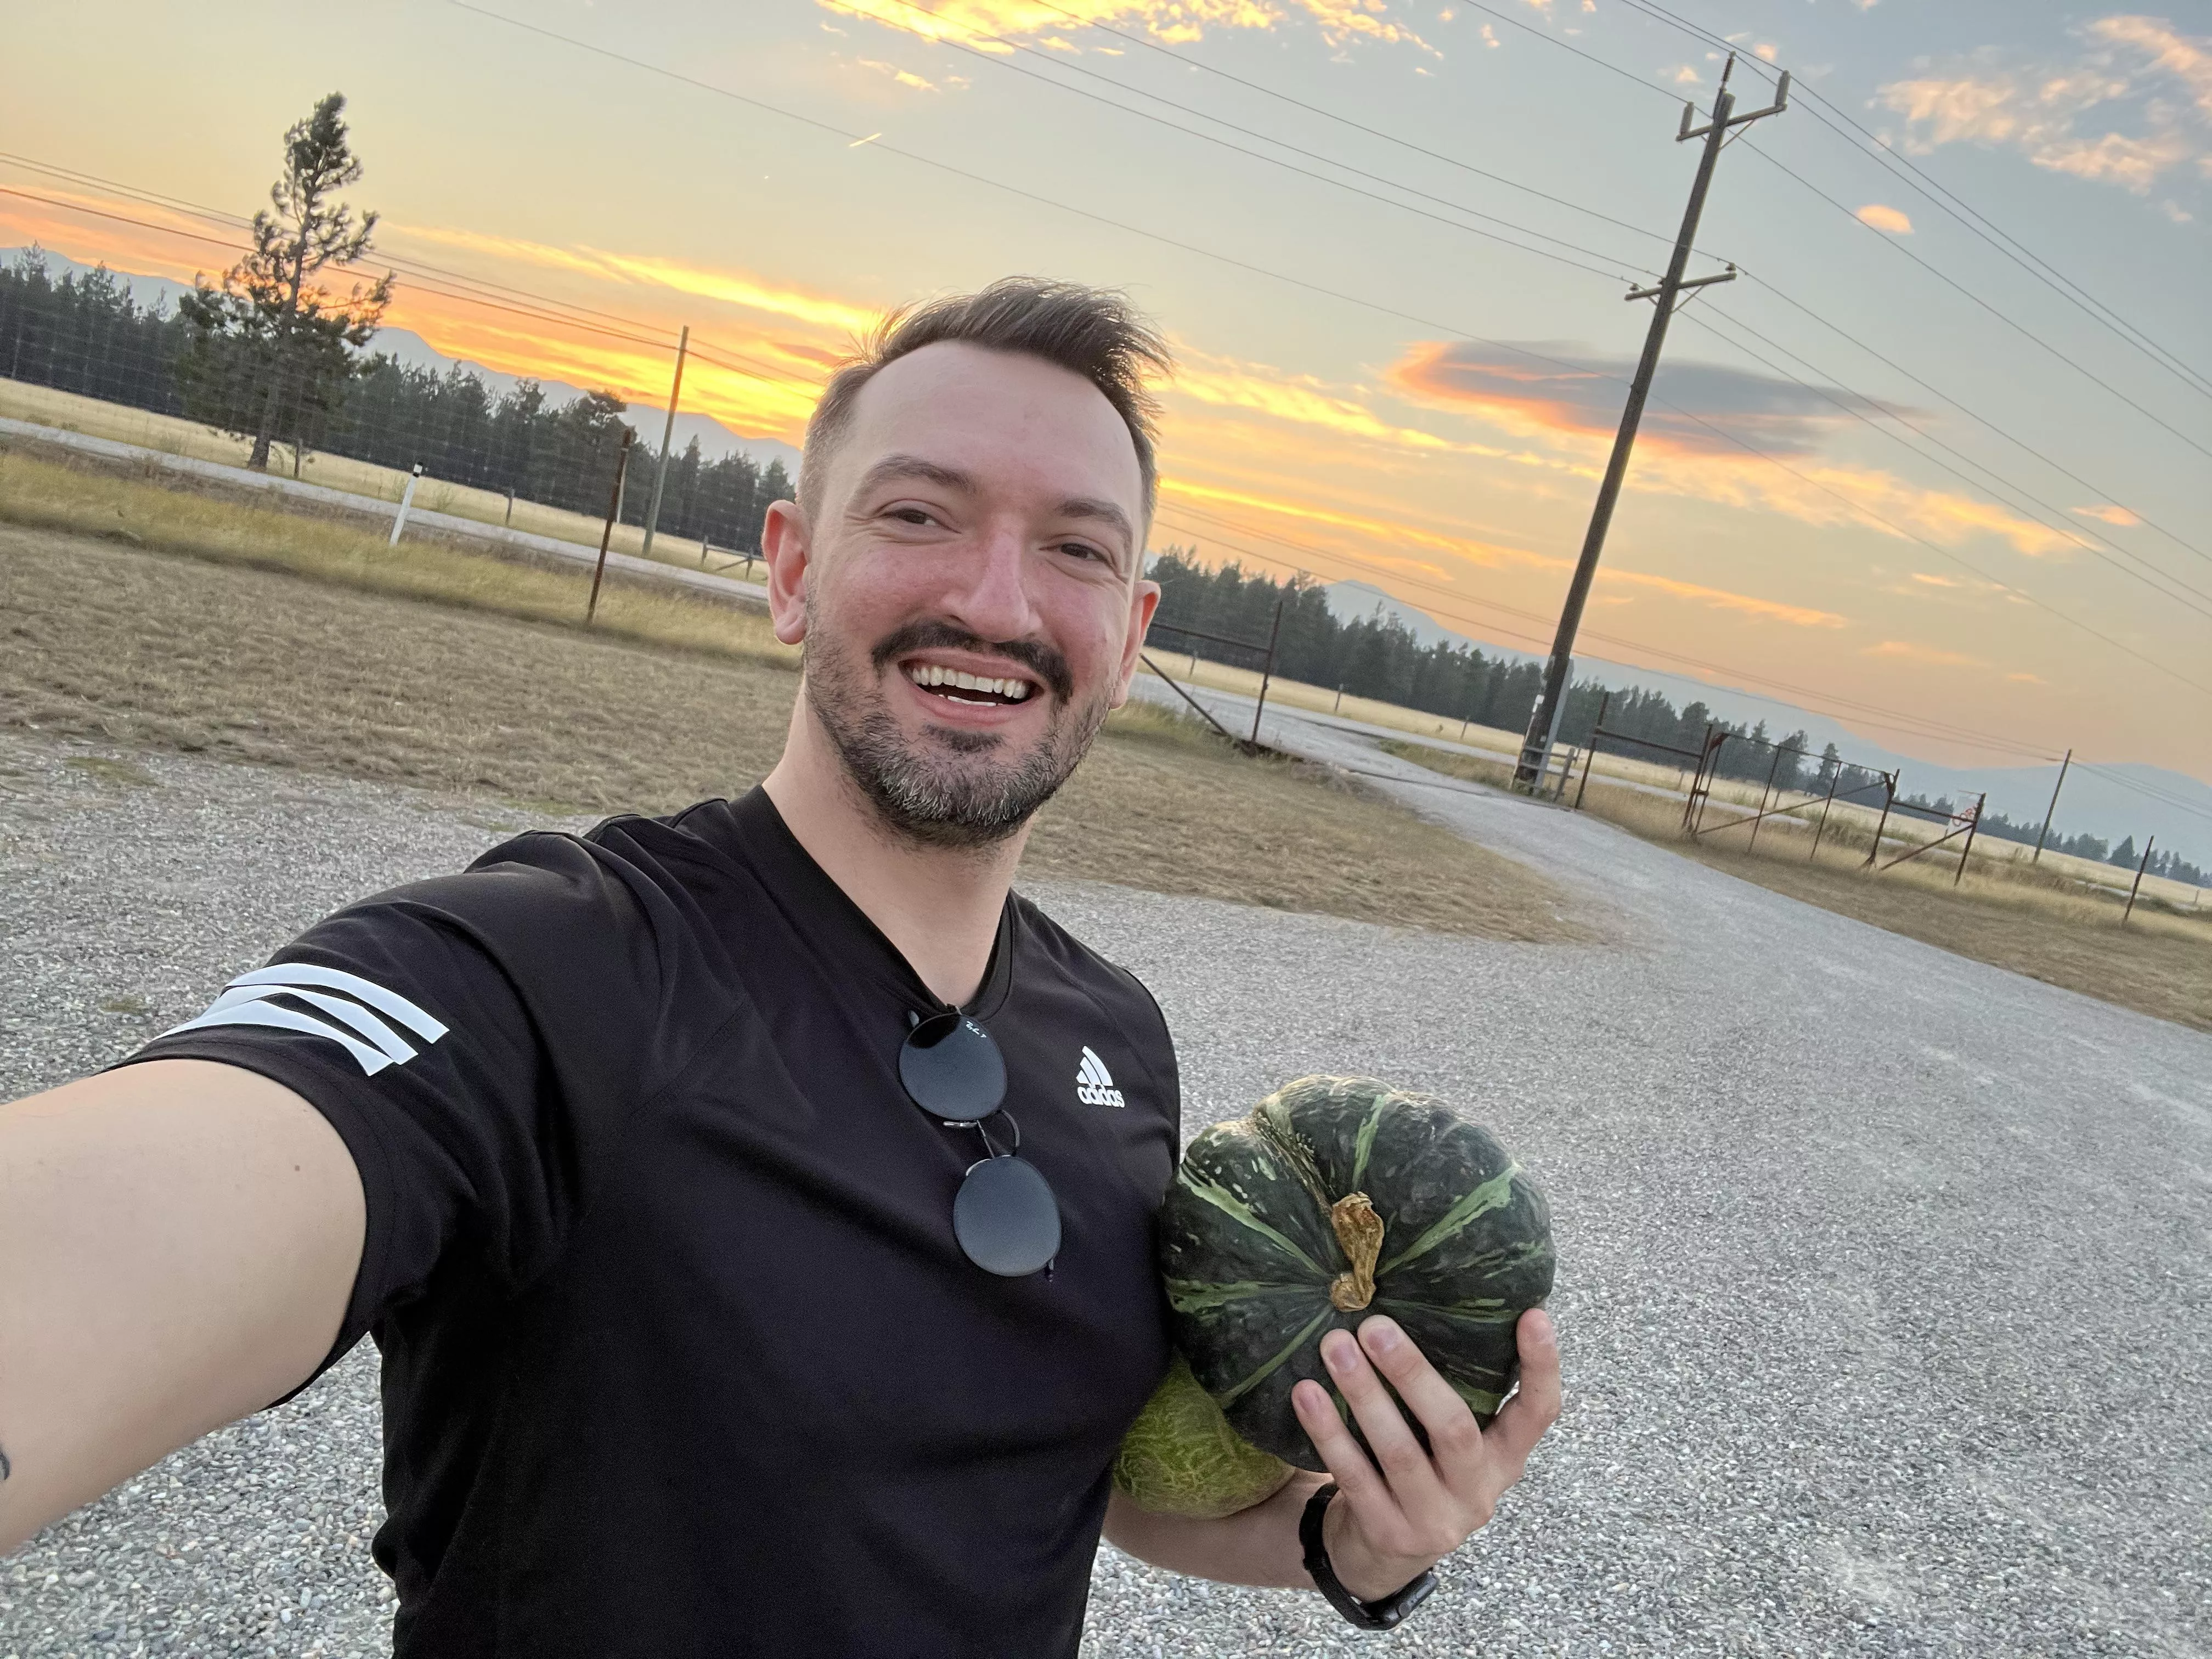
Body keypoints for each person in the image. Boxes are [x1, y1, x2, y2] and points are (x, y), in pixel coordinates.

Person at [0, 278, 1559, 1655]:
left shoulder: (1119, 1045)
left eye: (1074, 549)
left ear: (1131, 633)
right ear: (793, 568)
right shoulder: (556, 971)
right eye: (919, 514)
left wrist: (1347, 1548)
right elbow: (181, 1190)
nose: (996, 601)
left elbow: (1065, 1477)